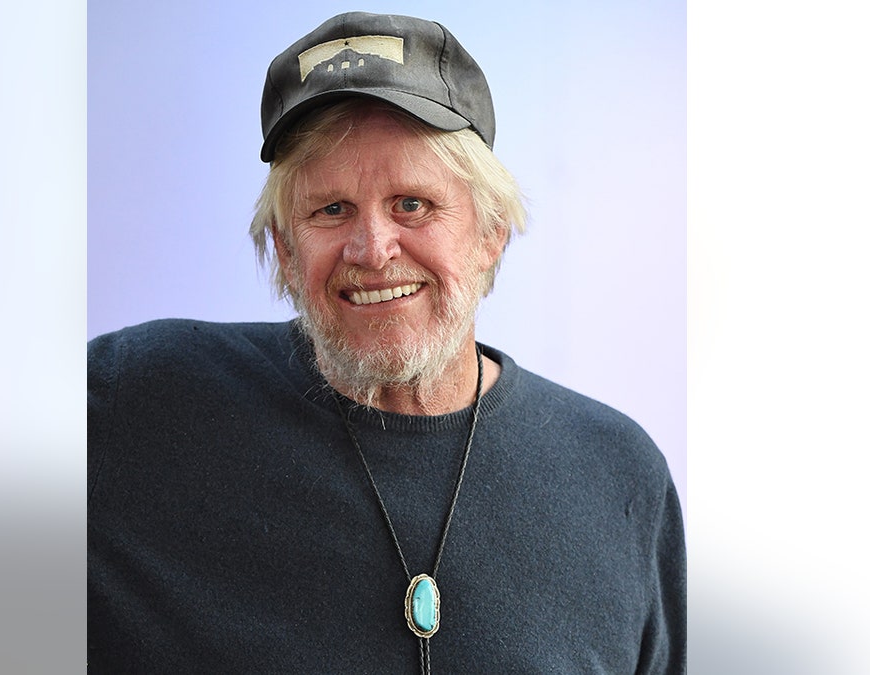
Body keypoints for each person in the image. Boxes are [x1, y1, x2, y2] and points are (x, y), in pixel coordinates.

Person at [88, 11, 685, 673]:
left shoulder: (617, 477)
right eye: (331, 209)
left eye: (412, 204)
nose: (372, 249)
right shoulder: (136, 406)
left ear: (490, 234)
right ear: (285, 252)